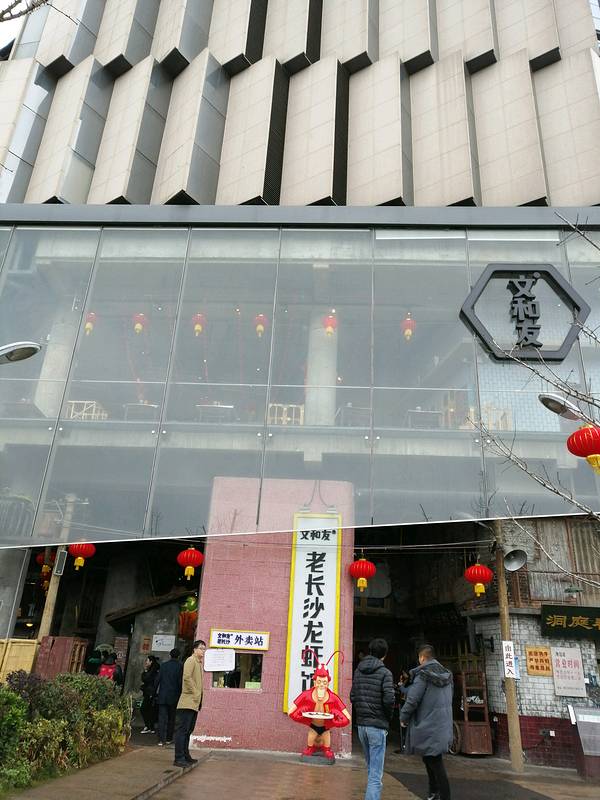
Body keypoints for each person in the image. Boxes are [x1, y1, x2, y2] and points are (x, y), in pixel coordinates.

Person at [400, 645, 453, 800]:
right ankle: (433, 793)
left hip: (428, 724)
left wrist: (404, 717)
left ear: (422, 658)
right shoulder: (447, 675)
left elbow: (412, 699)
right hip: (442, 724)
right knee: (430, 758)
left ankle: (443, 796)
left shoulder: (423, 675)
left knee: (435, 762)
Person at [350, 638, 395, 800]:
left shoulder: (358, 670)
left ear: (370, 651)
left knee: (371, 768)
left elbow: (353, 696)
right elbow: (389, 700)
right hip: (377, 726)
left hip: (362, 726)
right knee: (376, 774)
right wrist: (387, 718)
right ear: (384, 655)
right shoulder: (385, 673)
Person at [173, 639, 205, 767]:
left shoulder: (198, 663)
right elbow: (186, 677)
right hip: (188, 702)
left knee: (188, 730)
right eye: (201, 648)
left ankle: (185, 755)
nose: (203, 651)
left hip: (194, 703)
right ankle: (179, 757)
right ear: (194, 649)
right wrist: (196, 692)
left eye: (204, 649)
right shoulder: (191, 660)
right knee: (183, 730)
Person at [156, 648, 183, 746]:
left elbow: (157, 680)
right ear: (179, 656)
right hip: (174, 696)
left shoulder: (163, 665)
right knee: (171, 718)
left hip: (163, 695)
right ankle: (168, 738)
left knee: (162, 718)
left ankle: (160, 740)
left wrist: (154, 692)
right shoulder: (180, 666)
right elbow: (180, 682)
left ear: (170, 655)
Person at [140, 655, 160, 734]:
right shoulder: (155, 670)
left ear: (151, 662)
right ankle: (150, 727)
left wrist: (145, 671)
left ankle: (148, 726)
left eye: (147, 660)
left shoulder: (152, 671)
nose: (146, 662)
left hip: (150, 693)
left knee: (144, 709)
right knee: (150, 710)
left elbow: (145, 679)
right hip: (151, 692)